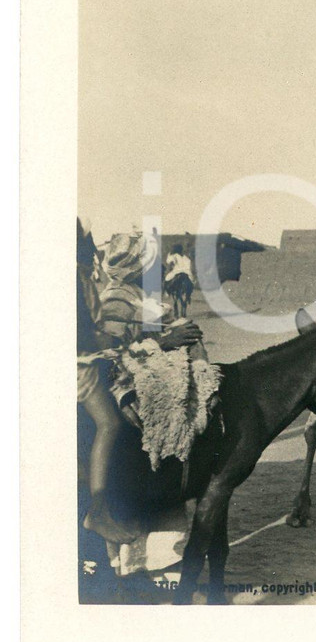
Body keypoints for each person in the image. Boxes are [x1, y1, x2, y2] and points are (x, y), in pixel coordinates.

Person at [79, 229, 204, 544]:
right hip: (130, 395)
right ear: (138, 267)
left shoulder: (141, 295)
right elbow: (108, 353)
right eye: (154, 263)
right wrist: (166, 340)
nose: (160, 268)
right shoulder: (116, 298)